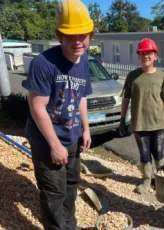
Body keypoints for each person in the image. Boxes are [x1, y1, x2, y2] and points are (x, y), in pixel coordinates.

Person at [22, 0, 94, 229]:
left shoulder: (84, 62)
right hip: (46, 141)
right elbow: (36, 106)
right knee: (54, 193)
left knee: (71, 186)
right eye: (70, 35)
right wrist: (54, 145)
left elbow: (81, 97)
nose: (78, 41)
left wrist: (86, 128)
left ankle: (69, 226)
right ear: (59, 34)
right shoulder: (44, 63)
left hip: (72, 137)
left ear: (91, 34)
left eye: (83, 34)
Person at [120, 38, 164, 194]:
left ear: (155, 55)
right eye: (142, 53)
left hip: (158, 123)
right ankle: (147, 180)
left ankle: (160, 180)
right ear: (138, 56)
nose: (146, 56)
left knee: (159, 153)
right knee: (144, 155)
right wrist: (122, 120)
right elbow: (125, 99)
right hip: (140, 124)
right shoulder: (132, 76)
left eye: (149, 53)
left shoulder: (161, 75)